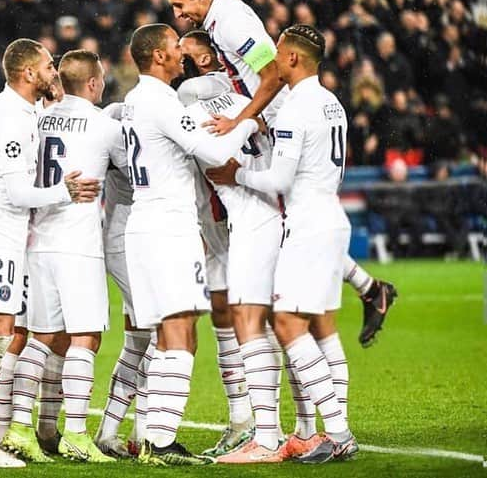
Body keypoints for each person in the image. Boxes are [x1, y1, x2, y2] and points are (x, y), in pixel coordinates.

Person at [162, 0, 396, 348]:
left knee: (291, 222)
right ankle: (370, 288)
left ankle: (365, 290)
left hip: (275, 122)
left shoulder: (232, 21)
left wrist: (242, 122)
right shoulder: (219, 21)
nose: (178, 13)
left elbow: (271, 75)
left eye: (180, 4)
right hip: (264, 118)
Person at [207, 24, 359, 463]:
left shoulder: (295, 109)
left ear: (292, 58)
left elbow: (279, 179)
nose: (271, 62)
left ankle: (338, 431)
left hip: (307, 224)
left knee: (289, 324)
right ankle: (327, 429)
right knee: (308, 325)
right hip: (330, 215)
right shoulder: (331, 103)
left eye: (277, 54)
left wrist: (235, 175)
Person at [122, 23, 262, 466]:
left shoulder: (132, 101)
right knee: (181, 335)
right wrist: (249, 121)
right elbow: (216, 154)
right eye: (173, 47)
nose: (181, 53)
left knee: (168, 336)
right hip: (168, 227)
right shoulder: (162, 101)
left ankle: (153, 439)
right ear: (157, 56)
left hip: (143, 225)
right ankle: (161, 444)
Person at [0, 38, 100, 468]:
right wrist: (66, 191)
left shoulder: (16, 111)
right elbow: (19, 192)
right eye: (47, 66)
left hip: (4, 231)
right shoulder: (12, 118)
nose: (54, 71)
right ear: (27, 74)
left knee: (3, 336)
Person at [0, 50, 126, 463]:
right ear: (92, 84)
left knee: (40, 337)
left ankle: (21, 427)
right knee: (85, 336)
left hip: (37, 239)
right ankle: (76, 432)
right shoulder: (105, 125)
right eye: (102, 79)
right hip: (77, 242)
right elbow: (133, 172)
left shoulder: (38, 117)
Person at [177, 30, 276, 460]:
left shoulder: (189, 105)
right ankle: (244, 419)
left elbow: (213, 159)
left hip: (228, 221)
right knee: (236, 315)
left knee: (247, 319)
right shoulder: (243, 104)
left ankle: (259, 422)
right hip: (254, 214)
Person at [93, 100, 154, 459]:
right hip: (127, 240)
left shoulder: (120, 115)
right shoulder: (116, 118)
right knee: (165, 333)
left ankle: (110, 431)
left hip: (136, 239)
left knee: (139, 338)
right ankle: (145, 433)